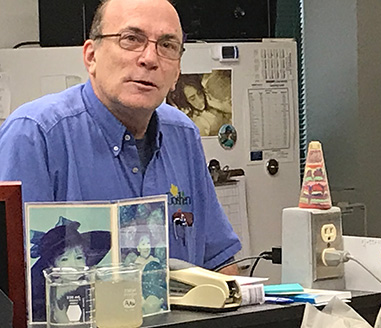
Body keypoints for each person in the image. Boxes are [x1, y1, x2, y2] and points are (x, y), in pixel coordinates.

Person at [0, 0, 240, 275]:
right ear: (91, 56)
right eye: (131, 39)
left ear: (177, 73)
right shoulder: (35, 134)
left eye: (167, 45)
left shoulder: (182, 135)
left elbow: (220, 262)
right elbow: (11, 288)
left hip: (184, 318)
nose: (150, 58)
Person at [29, 219, 112, 322]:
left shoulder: (93, 285)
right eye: (64, 259)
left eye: (79, 258)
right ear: (52, 266)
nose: (74, 265)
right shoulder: (48, 293)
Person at [167, 73, 231, 136]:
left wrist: (214, 104)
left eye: (199, 93)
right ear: (186, 101)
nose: (199, 100)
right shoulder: (194, 121)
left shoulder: (213, 102)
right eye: (192, 99)